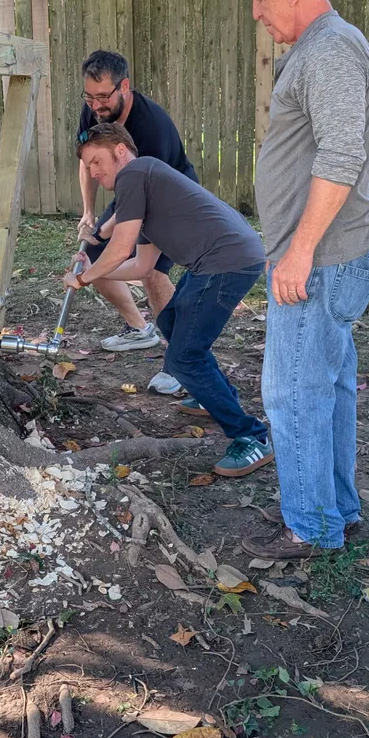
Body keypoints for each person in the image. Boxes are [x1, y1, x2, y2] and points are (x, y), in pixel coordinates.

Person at [242, 0, 369, 559]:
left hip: (321, 261)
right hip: (325, 256)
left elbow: (341, 157)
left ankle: (311, 529)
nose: (256, 12)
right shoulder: (324, 47)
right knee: (326, 384)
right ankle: (337, 511)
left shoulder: (328, 51)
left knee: (293, 391)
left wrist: (297, 252)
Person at [63, 124, 273, 478]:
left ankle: (252, 438)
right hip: (221, 260)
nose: (94, 174)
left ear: (119, 151)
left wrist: (84, 277)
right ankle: (216, 394)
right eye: (88, 167)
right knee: (171, 322)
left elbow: (118, 247)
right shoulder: (145, 191)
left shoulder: (136, 173)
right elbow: (141, 265)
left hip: (227, 262)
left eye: (96, 162)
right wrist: (93, 268)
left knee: (184, 357)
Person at [77, 50, 197, 388]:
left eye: (102, 97)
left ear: (124, 87)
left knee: (153, 274)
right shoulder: (95, 110)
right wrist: (89, 214)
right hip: (132, 192)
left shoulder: (151, 126)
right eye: (89, 96)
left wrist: (104, 231)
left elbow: (145, 197)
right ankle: (139, 329)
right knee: (91, 258)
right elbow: (87, 159)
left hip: (172, 197)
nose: (95, 105)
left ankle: (181, 362)